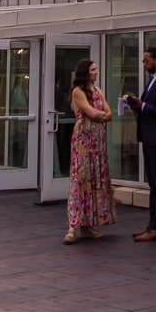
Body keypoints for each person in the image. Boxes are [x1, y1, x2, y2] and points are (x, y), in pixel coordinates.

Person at [123, 45, 156, 242]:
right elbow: (148, 108)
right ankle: (152, 224)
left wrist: (144, 105)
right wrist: (135, 104)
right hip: (148, 137)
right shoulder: (152, 81)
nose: (144, 63)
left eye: (146, 60)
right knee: (153, 183)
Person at [62, 58, 115, 245]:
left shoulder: (98, 91)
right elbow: (91, 112)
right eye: (93, 70)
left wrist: (104, 116)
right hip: (84, 139)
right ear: (85, 72)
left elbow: (109, 113)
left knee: (94, 179)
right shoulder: (78, 91)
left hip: (97, 141)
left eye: (96, 69)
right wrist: (103, 116)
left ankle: (88, 226)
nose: (96, 72)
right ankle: (73, 225)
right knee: (81, 178)